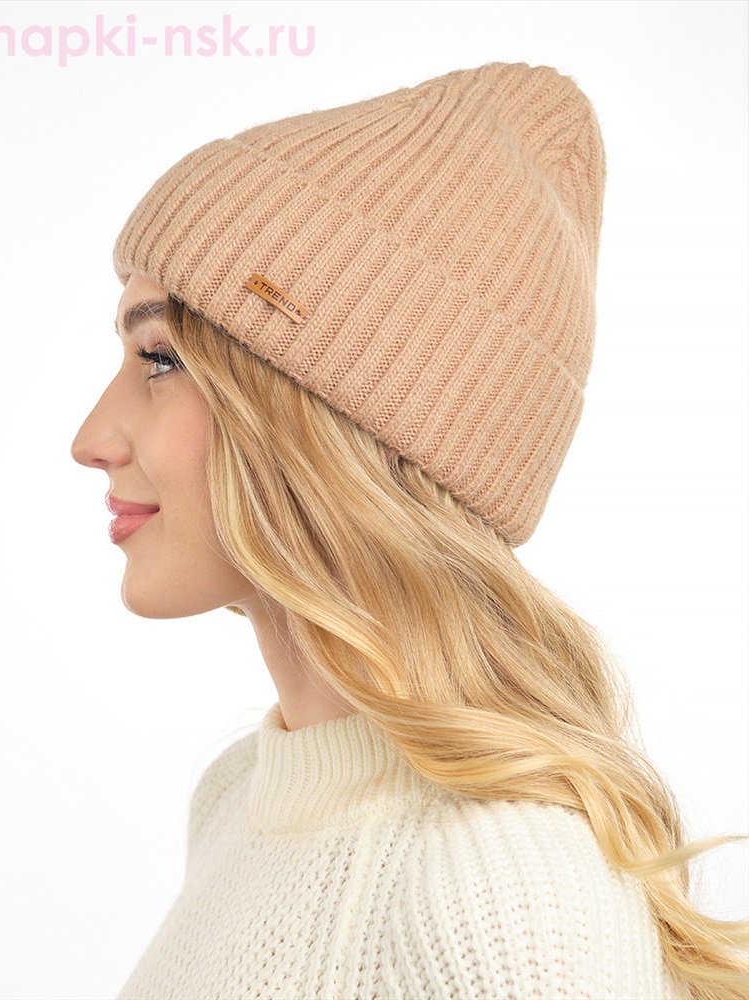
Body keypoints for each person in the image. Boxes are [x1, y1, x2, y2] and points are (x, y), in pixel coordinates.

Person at [72, 62, 747, 1000]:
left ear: (325, 423)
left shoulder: (504, 891)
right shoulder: (237, 797)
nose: (91, 439)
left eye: (159, 358)